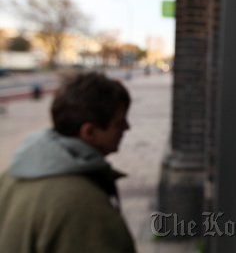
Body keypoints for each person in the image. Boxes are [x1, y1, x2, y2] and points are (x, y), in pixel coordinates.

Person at [0, 72, 136, 253]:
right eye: (119, 123)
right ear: (89, 132)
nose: (127, 127)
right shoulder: (85, 206)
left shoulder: (10, 176)